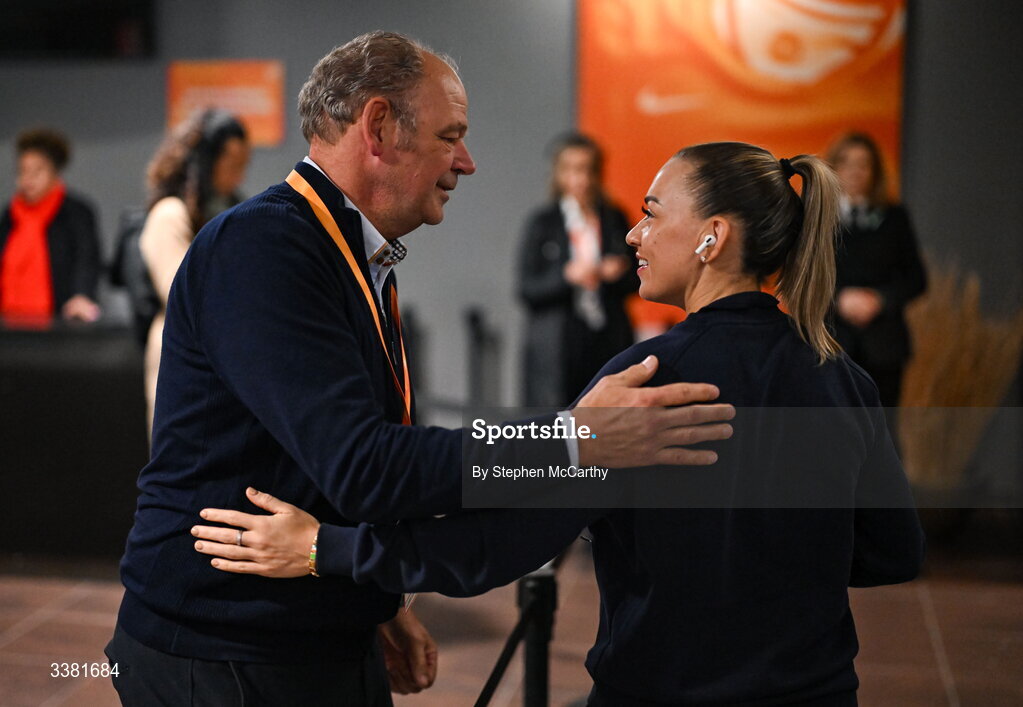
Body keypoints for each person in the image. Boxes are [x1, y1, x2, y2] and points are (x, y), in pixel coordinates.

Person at [105, 32, 734, 706]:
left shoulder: (343, 252)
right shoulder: (265, 248)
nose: (465, 162)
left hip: (295, 633)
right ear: (378, 128)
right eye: (450, 135)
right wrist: (571, 439)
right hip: (221, 650)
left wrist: (370, 601)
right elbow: (366, 466)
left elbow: (338, 470)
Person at [194, 142, 926, 706]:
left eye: (650, 211)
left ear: (711, 236)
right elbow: (893, 551)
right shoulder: (845, 380)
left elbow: (497, 545)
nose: (633, 234)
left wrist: (330, 548)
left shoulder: (639, 386)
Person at [138, 109, 250, 433]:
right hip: (182, 356)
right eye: (232, 165)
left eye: (243, 166)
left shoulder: (231, 211)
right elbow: (181, 294)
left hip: (223, 356)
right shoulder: (169, 214)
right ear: (205, 161)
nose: (238, 177)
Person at [518, 133, 637, 406]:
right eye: (571, 169)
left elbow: (636, 279)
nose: (579, 178)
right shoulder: (543, 223)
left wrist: (614, 273)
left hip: (606, 338)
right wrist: (566, 276)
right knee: (559, 426)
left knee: (605, 420)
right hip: (558, 346)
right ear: (558, 173)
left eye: (586, 169)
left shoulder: (614, 217)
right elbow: (526, 289)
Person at [827, 131, 927, 408]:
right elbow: (798, 276)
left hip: (884, 347)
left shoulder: (894, 218)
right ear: (833, 168)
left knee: (880, 435)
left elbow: (916, 279)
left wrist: (880, 300)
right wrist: (838, 299)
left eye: (863, 164)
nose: (855, 172)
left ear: (875, 171)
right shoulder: (816, 218)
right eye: (846, 163)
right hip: (831, 343)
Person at [0, 128, 101, 324]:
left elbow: (87, 259)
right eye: (22, 171)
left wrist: (82, 295)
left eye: (37, 171)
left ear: (54, 172)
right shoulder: (10, 215)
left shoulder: (75, 212)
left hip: (59, 321)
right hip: (8, 321)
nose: (28, 179)